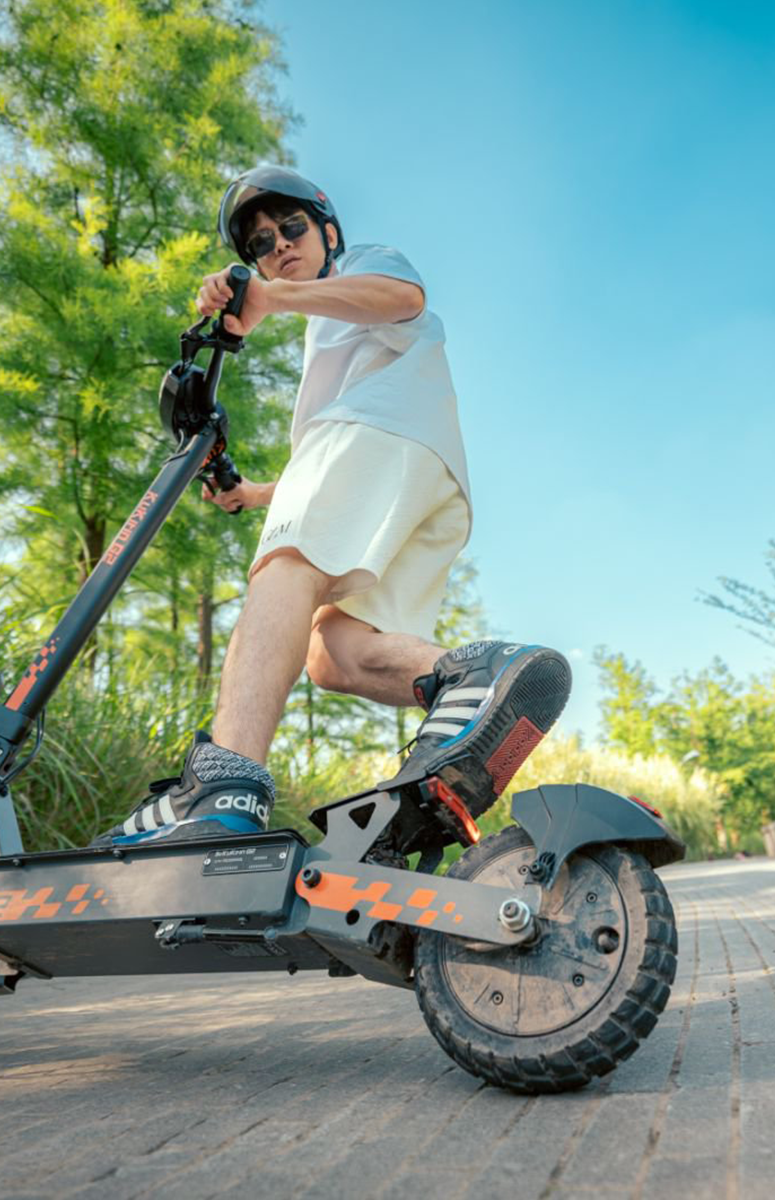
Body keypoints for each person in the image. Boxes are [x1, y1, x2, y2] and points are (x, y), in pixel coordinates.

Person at [93, 166, 570, 846]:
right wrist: (252, 494)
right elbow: (336, 472)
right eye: (261, 244)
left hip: (380, 435)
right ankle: (475, 680)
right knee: (335, 652)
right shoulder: (332, 337)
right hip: (420, 475)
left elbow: (404, 297)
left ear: (328, 234)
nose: (278, 246)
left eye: (292, 229)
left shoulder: (359, 267)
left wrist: (271, 296)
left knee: (284, 569)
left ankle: (223, 786)